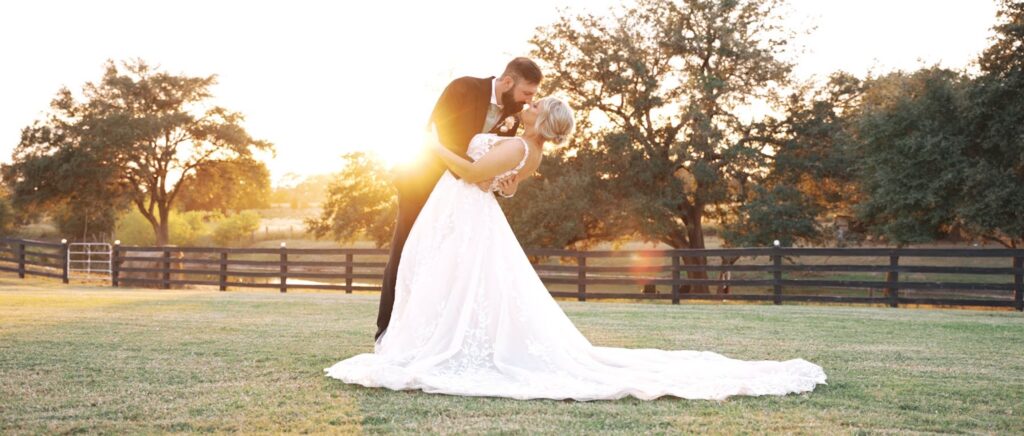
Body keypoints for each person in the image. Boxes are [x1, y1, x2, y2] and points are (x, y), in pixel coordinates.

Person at [326, 96, 827, 401]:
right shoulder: (529, 150)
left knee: (451, 279)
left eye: (538, 104)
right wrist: (494, 176)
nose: (532, 104)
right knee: (451, 281)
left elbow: (475, 173)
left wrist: (431, 144)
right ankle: (438, 338)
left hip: (464, 210)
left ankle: (440, 345)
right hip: (467, 213)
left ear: (543, 119)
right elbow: (506, 187)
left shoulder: (522, 146)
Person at [374, 57, 542, 342]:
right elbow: (443, 137)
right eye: (527, 92)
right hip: (423, 184)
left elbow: (499, 162)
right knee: (405, 253)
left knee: (449, 261)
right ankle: (387, 332)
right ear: (508, 81)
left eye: (533, 97)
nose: (528, 101)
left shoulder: (514, 113)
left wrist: (504, 188)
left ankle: (434, 335)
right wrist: (475, 174)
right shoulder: (463, 88)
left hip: (462, 196)